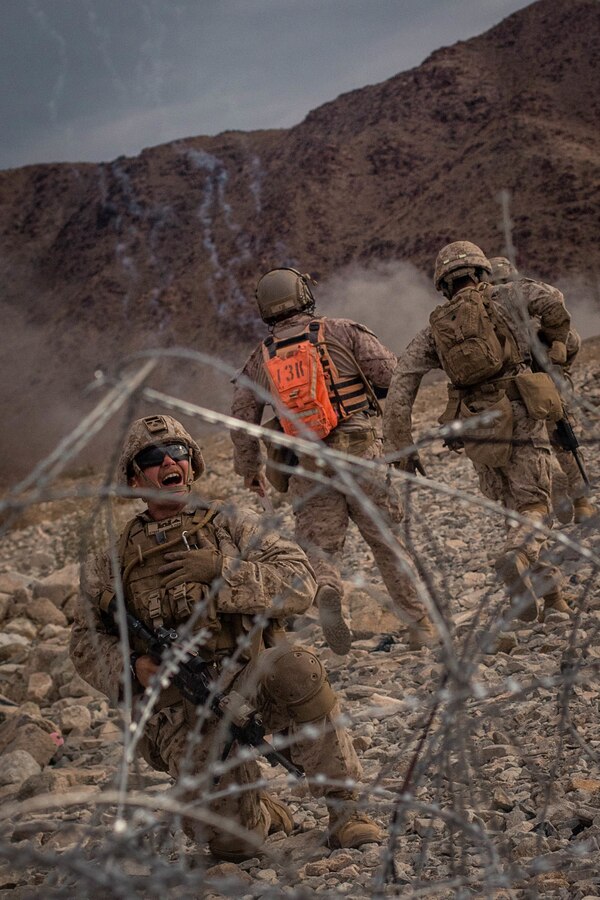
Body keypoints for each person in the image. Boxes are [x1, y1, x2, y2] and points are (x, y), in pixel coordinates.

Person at [70, 414, 383, 860]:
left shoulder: (234, 527)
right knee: (233, 845)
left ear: (192, 464)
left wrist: (223, 571)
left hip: (249, 677)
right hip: (181, 706)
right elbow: (83, 641)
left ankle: (345, 809)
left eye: (178, 453)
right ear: (135, 476)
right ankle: (263, 814)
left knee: (296, 668)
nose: (168, 463)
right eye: (153, 458)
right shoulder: (111, 561)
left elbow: (300, 584)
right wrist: (133, 667)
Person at [229, 267, 435, 655]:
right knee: (387, 542)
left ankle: (326, 587)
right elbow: (394, 375)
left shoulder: (260, 358)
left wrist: (250, 469)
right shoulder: (342, 331)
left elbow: (241, 421)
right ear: (303, 294)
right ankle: (420, 624)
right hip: (361, 454)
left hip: (306, 465)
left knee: (320, 547)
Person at [383, 241, 574, 623]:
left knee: (510, 505)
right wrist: (556, 337)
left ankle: (552, 597)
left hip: (472, 424)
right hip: (518, 409)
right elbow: (552, 300)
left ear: (444, 285)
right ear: (481, 271)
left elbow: (402, 382)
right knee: (534, 504)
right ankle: (517, 554)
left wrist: (403, 448)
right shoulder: (505, 297)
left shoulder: (434, 330)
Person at [488, 256, 595, 524]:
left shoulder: (488, 326)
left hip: (509, 399)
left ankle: (549, 491)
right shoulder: (533, 323)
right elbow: (571, 342)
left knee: (532, 451)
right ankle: (582, 502)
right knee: (564, 440)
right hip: (547, 391)